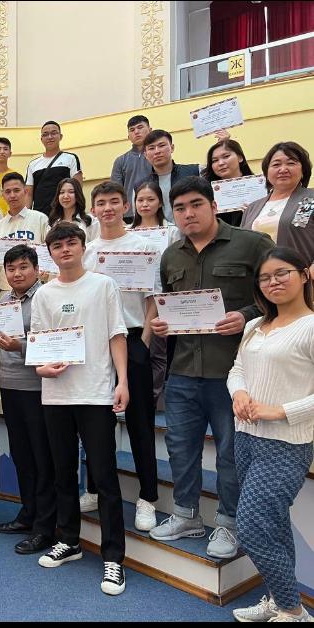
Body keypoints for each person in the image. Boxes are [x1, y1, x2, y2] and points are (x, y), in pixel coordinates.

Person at [149, 176, 274, 559]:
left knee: (230, 452)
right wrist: (163, 324)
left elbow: (277, 295)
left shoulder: (252, 244)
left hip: (233, 372)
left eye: (196, 204)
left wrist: (246, 315)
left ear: (214, 205)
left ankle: (229, 523)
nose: (188, 213)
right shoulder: (171, 256)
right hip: (184, 370)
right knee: (180, 447)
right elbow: (172, 305)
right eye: (180, 208)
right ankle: (186, 515)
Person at [30, 222, 129, 596]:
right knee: (62, 473)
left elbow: (116, 334)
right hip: (56, 396)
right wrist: (42, 368)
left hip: (96, 394)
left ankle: (113, 557)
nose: (65, 250)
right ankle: (69, 540)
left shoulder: (103, 285)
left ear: (83, 247)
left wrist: (122, 381)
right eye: (57, 246)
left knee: (104, 478)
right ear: (50, 253)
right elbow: (38, 345)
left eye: (71, 243)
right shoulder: (44, 294)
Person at [227, 247, 314, 624]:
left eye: (282, 273)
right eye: (265, 277)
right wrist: (239, 394)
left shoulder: (310, 326)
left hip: (286, 444)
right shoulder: (254, 326)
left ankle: (294, 611)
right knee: (273, 525)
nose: (273, 282)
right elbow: (237, 369)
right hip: (245, 436)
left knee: (251, 528)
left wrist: (279, 411)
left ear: (304, 275)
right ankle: (281, 601)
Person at [81, 182, 159, 532]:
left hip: (133, 337)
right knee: (97, 425)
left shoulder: (144, 247)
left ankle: (148, 498)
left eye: (114, 202)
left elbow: (153, 299)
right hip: (95, 345)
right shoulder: (87, 251)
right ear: (93, 209)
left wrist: (143, 341)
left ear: (126, 206)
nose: (108, 208)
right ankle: (94, 489)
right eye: (101, 203)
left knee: (140, 423)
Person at [0, 245, 57, 556]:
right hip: (10, 387)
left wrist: (19, 346)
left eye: (23, 267)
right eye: (11, 268)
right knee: (21, 455)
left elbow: (54, 345)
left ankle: (45, 527)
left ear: (36, 269)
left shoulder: (46, 297)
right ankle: (28, 513)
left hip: (38, 389)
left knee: (41, 458)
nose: (17, 273)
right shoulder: (3, 302)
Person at [128, 181, 181, 406]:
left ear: (160, 203)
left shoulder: (172, 231)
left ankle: (153, 397)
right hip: (133, 299)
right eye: (140, 200)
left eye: (150, 199)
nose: (145, 204)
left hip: (162, 296)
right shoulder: (127, 232)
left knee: (158, 350)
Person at [243, 141, 314, 269]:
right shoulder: (252, 208)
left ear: (303, 170)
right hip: (259, 278)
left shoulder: (309, 199)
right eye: (276, 164)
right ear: (266, 172)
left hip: (302, 276)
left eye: (291, 163)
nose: (283, 169)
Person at [0, 172, 49, 292]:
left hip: (37, 287)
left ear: (25, 191)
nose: (12, 195)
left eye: (16, 190)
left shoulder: (40, 219)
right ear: (3, 195)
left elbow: (50, 252)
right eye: (8, 192)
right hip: (7, 289)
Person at [25, 121, 84, 215]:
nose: (50, 137)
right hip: (40, 215)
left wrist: (76, 214)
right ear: (41, 139)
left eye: (54, 133)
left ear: (60, 136)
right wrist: (26, 217)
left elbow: (78, 188)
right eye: (45, 134)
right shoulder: (33, 164)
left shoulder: (71, 158)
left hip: (64, 214)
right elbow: (28, 194)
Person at [142, 130, 200, 222]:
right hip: (159, 230)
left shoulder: (195, 172)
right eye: (151, 148)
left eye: (161, 145)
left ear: (172, 148)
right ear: (145, 154)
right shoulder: (141, 185)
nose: (157, 151)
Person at [202, 135, 255, 227]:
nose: (221, 163)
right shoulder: (207, 192)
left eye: (226, 156)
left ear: (240, 157)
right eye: (215, 160)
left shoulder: (258, 186)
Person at [111, 114, 154, 218]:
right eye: (132, 130)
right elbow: (115, 191)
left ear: (150, 130)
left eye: (140, 127)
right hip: (128, 215)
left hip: (156, 211)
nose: (136, 132)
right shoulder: (120, 161)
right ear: (128, 136)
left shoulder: (157, 156)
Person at [48, 178, 100, 242]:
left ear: (78, 194)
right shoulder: (53, 223)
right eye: (62, 192)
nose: (65, 196)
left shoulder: (90, 221)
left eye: (71, 192)